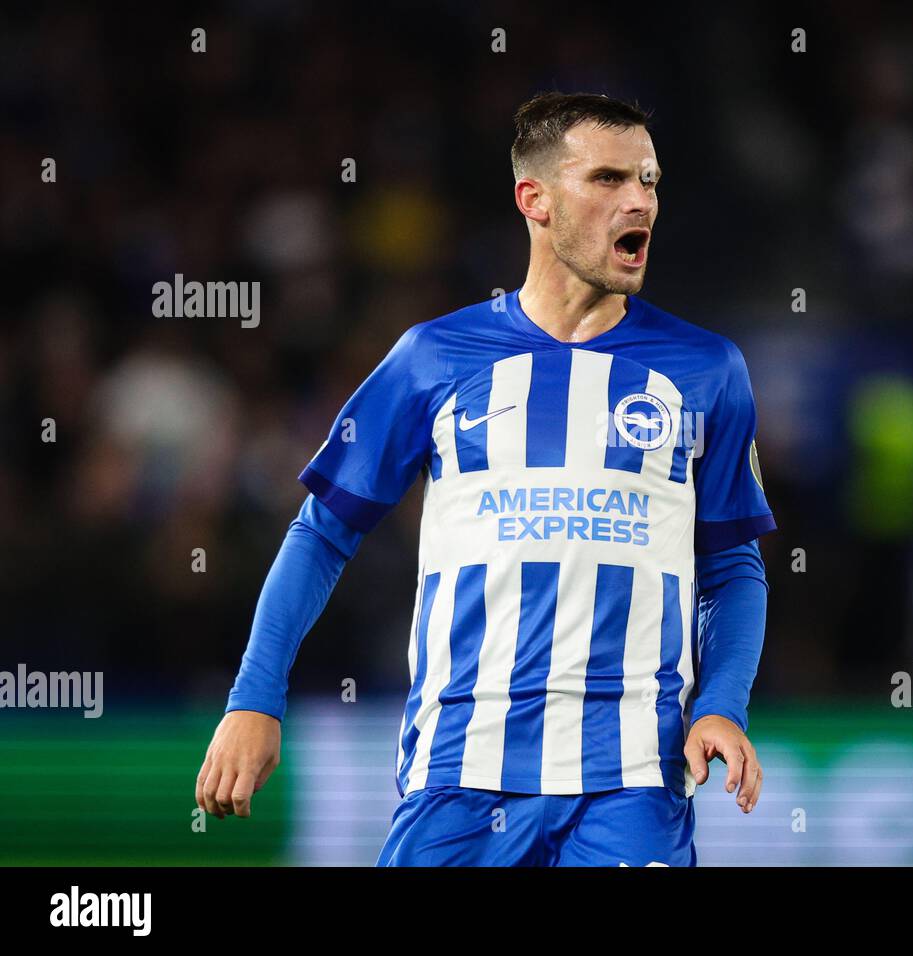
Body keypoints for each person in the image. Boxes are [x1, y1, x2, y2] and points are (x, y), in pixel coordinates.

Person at [196, 91, 777, 866]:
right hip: (458, 775)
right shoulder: (434, 358)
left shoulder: (709, 370)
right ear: (532, 199)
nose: (640, 199)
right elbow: (323, 531)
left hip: (635, 782)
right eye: (608, 179)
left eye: (650, 180)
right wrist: (254, 697)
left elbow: (733, 567)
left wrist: (722, 707)